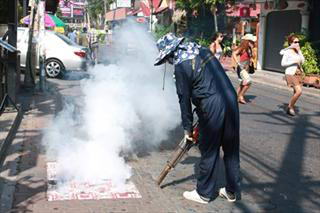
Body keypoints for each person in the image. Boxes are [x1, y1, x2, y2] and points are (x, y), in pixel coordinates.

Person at [154, 33, 241, 204]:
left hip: (211, 105)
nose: (169, 62)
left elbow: (183, 100)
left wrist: (187, 128)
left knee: (209, 148)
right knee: (231, 149)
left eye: (167, 58)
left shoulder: (181, 65)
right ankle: (231, 191)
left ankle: (204, 193)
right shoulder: (202, 51)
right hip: (231, 99)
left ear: (171, 53)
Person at [280, 35, 305, 116]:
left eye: (298, 42)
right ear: (291, 43)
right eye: (295, 42)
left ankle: (291, 107)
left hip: (298, 73)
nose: (297, 43)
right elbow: (283, 64)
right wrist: (293, 61)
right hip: (291, 73)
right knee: (299, 91)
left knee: (295, 92)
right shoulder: (287, 51)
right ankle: (290, 107)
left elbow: (303, 61)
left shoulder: (298, 51)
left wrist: (300, 51)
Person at [232, 34, 256, 104]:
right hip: (241, 68)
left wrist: (251, 58)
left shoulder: (249, 49)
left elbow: (251, 57)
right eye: (251, 41)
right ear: (247, 41)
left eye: (253, 42)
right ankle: (241, 96)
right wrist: (237, 63)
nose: (253, 43)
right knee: (248, 82)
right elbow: (234, 53)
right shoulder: (243, 47)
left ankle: (235, 97)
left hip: (246, 68)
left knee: (243, 83)